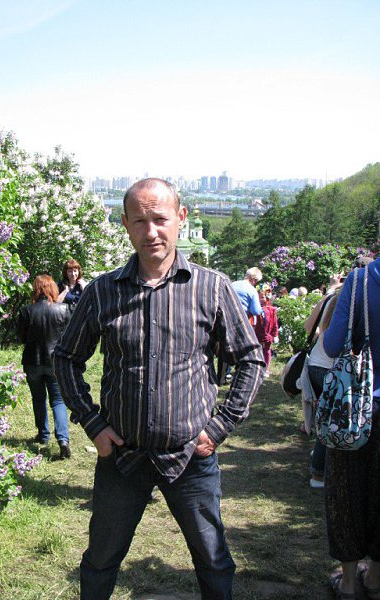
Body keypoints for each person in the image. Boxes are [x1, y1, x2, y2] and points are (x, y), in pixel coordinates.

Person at [54, 178, 265, 600]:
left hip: (190, 457)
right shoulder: (103, 291)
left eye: (160, 219)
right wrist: (93, 424)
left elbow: (250, 359)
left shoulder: (211, 287)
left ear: (180, 218)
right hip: (122, 458)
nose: (151, 231)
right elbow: (66, 357)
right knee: (100, 560)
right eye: (140, 221)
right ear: (125, 224)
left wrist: (219, 427)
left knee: (213, 560)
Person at [322, 257, 380, 600]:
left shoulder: (360, 281)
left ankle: (347, 583)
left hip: (356, 408)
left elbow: (332, 345)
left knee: (345, 493)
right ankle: (375, 580)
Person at [18, 275, 72, 459]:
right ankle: (63, 440)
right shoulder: (64, 309)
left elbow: (22, 338)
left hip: (32, 361)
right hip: (55, 362)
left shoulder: (26, 311)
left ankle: (43, 435)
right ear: (53, 289)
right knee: (58, 401)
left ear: (35, 290)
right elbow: (69, 338)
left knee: (38, 399)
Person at [302, 290, 340, 488]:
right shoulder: (352, 300)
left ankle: (318, 455)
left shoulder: (329, 298)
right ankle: (318, 473)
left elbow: (309, 327)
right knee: (329, 420)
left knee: (323, 414)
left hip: (315, 364)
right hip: (331, 368)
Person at [253, 289, 279, 378]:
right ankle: (257, 367)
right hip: (256, 334)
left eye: (262, 297)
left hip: (267, 334)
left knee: (267, 350)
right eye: (258, 297)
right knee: (257, 351)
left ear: (267, 297)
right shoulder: (254, 308)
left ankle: (266, 368)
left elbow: (275, 323)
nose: (260, 299)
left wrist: (275, 334)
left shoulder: (271, 309)